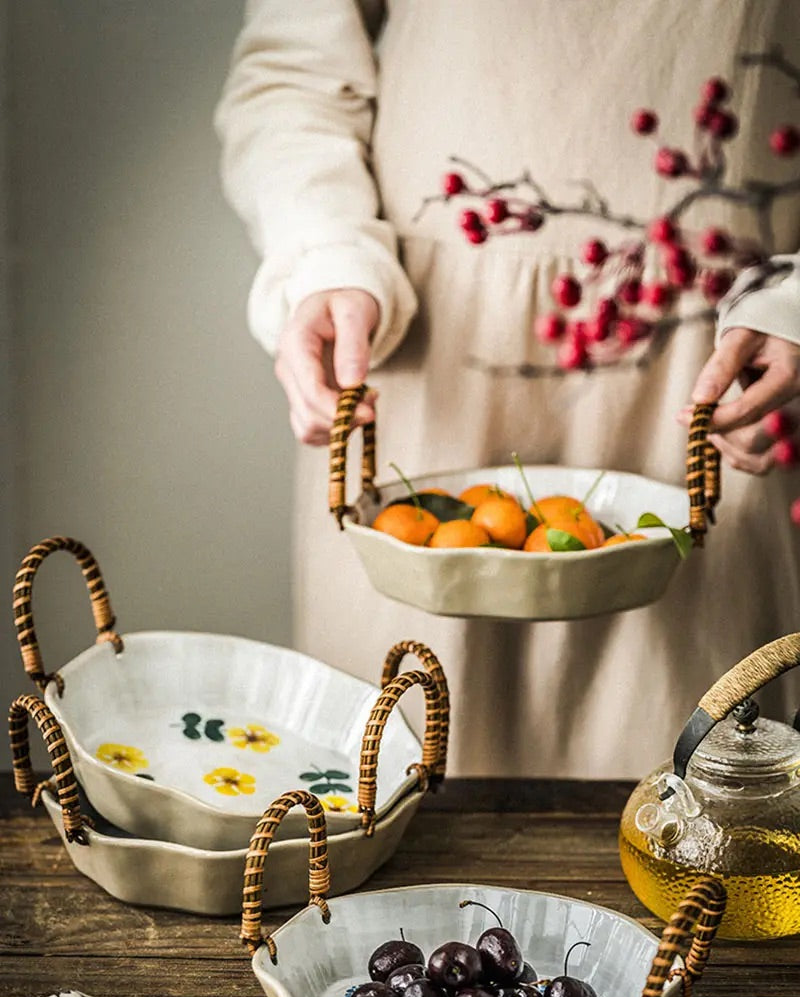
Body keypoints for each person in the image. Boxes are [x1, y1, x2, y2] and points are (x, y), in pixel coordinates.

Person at [214, 0, 800, 778]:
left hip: (723, 370)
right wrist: (324, 254)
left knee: (697, 804)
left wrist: (793, 304)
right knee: (400, 793)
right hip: (431, 370)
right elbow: (294, 69)